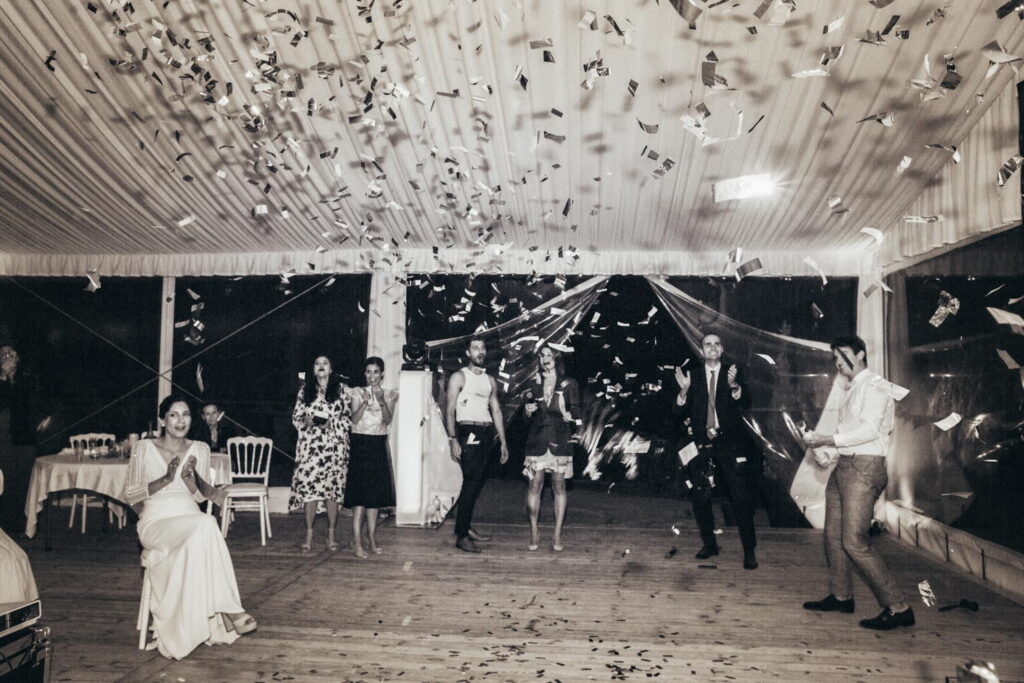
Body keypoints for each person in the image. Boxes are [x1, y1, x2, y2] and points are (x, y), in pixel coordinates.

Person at [122, 395, 256, 660]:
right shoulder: (143, 448)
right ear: (162, 420)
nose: (180, 420)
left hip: (189, 516)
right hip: (157, 519)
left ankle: (227, 610)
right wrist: (165, 479)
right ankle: (230, 610)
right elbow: (131, 494)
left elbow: (201, 496)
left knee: (205, 523)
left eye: (185, 415)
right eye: (173, 414)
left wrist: (191, 478)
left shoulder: (201, 448)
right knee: (206, 525)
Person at [801, 335, 914, 630]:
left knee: (854, 542)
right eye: (835, 357)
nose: (838, 362)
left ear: (861, 354)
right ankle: (841, 596)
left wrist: (827, 439)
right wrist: (826, 451)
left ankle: (899, 607)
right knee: (833, 535)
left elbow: (868, 430)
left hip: (864, 469)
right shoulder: (853, 388)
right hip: (846, 466)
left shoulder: (876, 385)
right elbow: (850, 433)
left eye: (843, 355)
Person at [673, 331, 759, 570]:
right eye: (707, 345)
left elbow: (746, 404)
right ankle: (709, 544)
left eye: (716, 345)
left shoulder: (733, 373)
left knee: (740, 499)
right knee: (701, 498)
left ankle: (749, 551)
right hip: (701, 445)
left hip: (730, 444)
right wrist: (682, 392)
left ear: (722, 350)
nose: (712, 348)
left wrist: (734, 387)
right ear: (701, 351)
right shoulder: (694, 377)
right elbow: (678, 413)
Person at [445, 337, 509, 553]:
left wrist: (503, 441)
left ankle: (466, 526)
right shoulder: (459, 376)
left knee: (476, 482)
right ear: (467, 352)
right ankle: (461, 535)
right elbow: (450, 409)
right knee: (471, 481)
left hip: (486, 431)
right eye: (475, 348)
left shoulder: (490, 380)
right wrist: (452, 438)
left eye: (482, 348)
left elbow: (497, 410)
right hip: (468, 431)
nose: (479, 351)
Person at [289, 355, 351, 552]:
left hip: (335, 448)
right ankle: (308, 534)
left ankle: (331, 534)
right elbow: (295, 418)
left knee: (332, 491)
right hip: (310, 449)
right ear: (313, 369)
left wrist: (330, 424)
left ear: (331, 368)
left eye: (325, 363)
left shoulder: (342, 390)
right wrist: (305, 422)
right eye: (317, 363)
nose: (321, 366)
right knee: (310, 492)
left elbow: (349, 420)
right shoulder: (304, 391)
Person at [522, 344, 580, 552]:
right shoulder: (533, 384)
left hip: (560, 440)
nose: (545, 359)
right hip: (537, 441)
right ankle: (534, 531)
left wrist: (570, 416)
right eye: (542, 356)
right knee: (534, 486)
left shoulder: (569, 383)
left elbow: (577, 411)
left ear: (557, 359)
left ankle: (556, 534)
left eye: (549, 356)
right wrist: (528, 412)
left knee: (559, 487)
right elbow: (526, 415)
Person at [345, 356, 398, 558]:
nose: (372, 376)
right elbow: (354, 420)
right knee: (360, 496)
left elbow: (387, 420)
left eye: (376, 372)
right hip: (361, 444)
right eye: (368, 372)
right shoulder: (357, 392)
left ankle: (372, 538)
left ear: (382, 374)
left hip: (377, 444)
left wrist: (382, 400)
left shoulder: (390, 394)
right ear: (365, 374)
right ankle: (357, 542)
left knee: (374, 498)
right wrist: (364, 404)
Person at [0, 343, 37, 534]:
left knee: (22, 481)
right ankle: (4, 525)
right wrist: (4, 378)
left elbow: (25, 406)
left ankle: (17, 524)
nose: (9, 358)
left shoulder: (26, 381)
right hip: (2, 440)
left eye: (13, 354)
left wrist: (12, 378)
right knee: (4, 481)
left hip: (23, 440)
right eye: (5, 354)